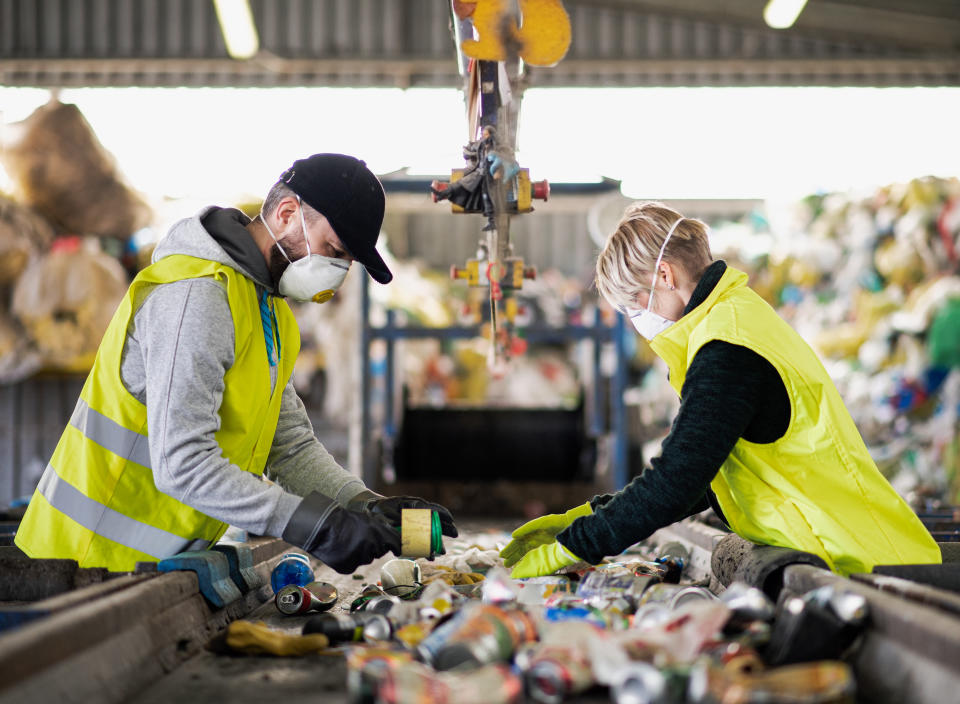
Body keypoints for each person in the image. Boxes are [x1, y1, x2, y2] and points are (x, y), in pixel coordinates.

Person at [16, 153, 457, 573]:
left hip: (145, 570)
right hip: (78, 566)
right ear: (286, 213)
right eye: (333, 249)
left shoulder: (272, 314)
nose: (338, 270)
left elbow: (291, 447)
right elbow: (182, 463)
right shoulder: (198, 296)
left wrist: (363, 504)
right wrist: (310, 525)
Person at [503, 201, 941, 578]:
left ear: (665, 277)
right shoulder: (732, 320)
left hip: (866, 565)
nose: (636, 318)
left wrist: (574, 546)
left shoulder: (727, 346)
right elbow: (706, 479)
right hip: (841, 554)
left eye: (632, 302)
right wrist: (589, 516)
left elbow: (678, 478)